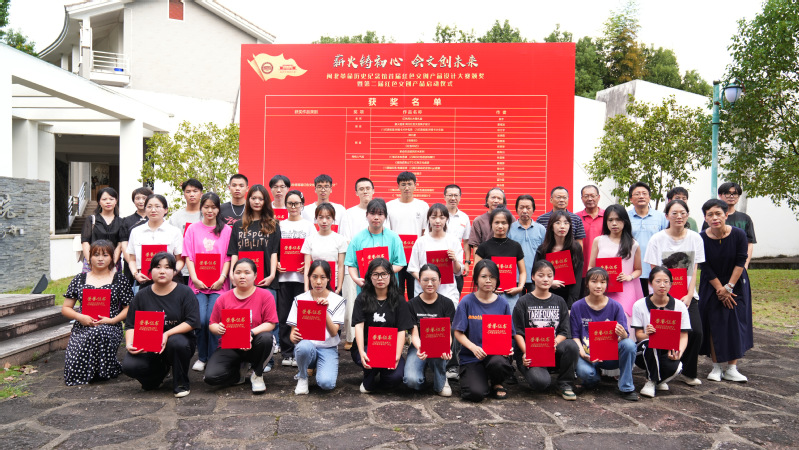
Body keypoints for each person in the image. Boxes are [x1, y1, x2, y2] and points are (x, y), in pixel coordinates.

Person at [643, 199, 705, 386]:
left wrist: (689, 294)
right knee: (663, 334)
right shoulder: (657, 239)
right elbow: (655, 271)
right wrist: (665, 297)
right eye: (674, 213)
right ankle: (663, 372)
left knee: (696, 332)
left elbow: (694, 269)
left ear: (687, 215)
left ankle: (688, 372)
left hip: (687, 295)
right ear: (667, 216)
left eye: (683, 213)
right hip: (662, 295)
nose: (679, 216)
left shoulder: (695, 238)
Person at [122, 252, 200, 397]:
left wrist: (167, 334)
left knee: (177, 343)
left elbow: (192, 321)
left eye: (167, 267)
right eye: (157, 267)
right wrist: (129, 344)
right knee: (129, 366)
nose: (162, 271)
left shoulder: (185, 292)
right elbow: (131, 325)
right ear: (150, 271)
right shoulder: (141, 296)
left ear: (174, 271)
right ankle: (157, 375)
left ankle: (181, 383)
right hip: (148, 345)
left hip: (178, 342)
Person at [61, 240, 132, 385]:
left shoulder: (119, 279)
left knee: (98, 332)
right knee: (72, 369)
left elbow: (129, 308)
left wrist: (112, 320)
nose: (100, 259)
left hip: (110, 325)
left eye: (105, 255)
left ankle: (100, 370)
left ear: (112, 258)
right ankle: (95, 370)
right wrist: (79, 317)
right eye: (96, 255)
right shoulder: (79, 279)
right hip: (82, 326)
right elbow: (66, 308)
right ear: (89, 257)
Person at [698, 199, 753, 382]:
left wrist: (728, 287)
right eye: (710, 215)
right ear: (705, 218)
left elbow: (741, 260)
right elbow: (704, 265)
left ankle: (732, 368)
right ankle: (716, 367)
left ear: (726, 215)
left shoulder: (738, 234)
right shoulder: (701, 238)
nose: (715, 218)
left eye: (718, 214)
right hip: (711, 283)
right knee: (714, 323)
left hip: (735, 283)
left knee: (734, 323)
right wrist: (720, 289)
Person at [204, 258, 277, 394]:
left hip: (254, 343)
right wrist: (218, 328)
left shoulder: (265, 295)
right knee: (211, 377)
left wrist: (250, 333)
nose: (242, 276)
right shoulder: (223, 298)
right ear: (233, 275)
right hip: (229, 346)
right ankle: (238, 373)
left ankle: (257, 374)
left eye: (247, 272)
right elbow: (212, 324)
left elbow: (271, 323)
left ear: (255, 275)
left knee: (267, 338)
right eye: (238, 272)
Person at [227, 184, 281, 370]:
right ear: (248, 200)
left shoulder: (273, 224)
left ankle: (267, 361)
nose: (257, 202)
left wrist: (272, 275)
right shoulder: (238, 225)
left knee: (267, 321)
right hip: (242, 281)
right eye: (253, 198)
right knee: (242, 319)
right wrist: (232, 274)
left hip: (265, 280)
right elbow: (234, 252)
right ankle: (242, 359)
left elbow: (274, 253)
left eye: (261, 198)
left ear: (265, 201)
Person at [512, 260, 579, 400]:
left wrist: (554, 342)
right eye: (541, 275)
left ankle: (565, 384)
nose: (546, 279)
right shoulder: (523, 301)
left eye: (549, 275)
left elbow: (564, 331)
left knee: (571, 345)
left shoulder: (559, 301)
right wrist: (526, 352)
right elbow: (518, 332)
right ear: (533, 277)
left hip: (552, 350)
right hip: (530, 353)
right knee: (540, 383)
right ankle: (540, 372)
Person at [571, 267, 638, 401]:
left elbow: (624, 336)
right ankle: (593, 377)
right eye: (594, 281)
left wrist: (623, 335)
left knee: (629, 344)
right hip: (587, 354)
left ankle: (626, 387)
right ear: (587, 284)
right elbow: (575, 337)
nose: (598, 286)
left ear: (607, 284)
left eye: (602, 282)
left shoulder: (616, 306)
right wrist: (583, 355)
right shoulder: (577, 306)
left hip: (609, 356)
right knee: (587, 374)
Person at [452, 259, 515, 402]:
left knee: (498, 363)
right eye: (484, 276)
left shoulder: (503, 303)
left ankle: (497, 382)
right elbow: (458, 332)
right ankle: (479, 378)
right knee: (476, 393)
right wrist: (473, 348)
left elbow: (508, 333)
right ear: (476, 279)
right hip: (472, 356)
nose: (488, 280)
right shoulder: (466, 302)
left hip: (495, 356)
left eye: (492, 277)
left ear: (497, 280)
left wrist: (508, 348)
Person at [183, 192, 232, 372]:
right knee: (201, 320)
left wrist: (222, 278)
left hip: (219, 285)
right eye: (206, 207)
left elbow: (228, 258)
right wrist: (195, 278)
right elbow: (188, 256)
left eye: (213, 207)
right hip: (197, 285)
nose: (210, 210)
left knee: (214, 320)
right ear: (201, 208)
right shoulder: (192, 229)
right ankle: (202, 356)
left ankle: (213, 357)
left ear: (219, 209)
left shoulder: (226, 230)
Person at [351, 258, 414, 393]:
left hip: (390, 348)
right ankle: (370, 376)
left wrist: (397, 355)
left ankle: (379, 374)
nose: (380, 278)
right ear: (370, 276)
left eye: (384, 274)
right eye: (375, 274)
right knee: (371, 360)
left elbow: (401, 330)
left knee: (395, 378)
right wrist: (361, 352)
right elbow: (359, 327)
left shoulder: (399, 300)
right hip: (367, 346)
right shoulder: (362, 298)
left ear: (390, 276)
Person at [630, 266, 691, 398]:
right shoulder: (639, 305)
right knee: (651, 344)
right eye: (658, 281)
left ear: (671, 284)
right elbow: (639, 336)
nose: (662, 285)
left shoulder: (680, 306)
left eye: (666, 281)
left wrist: (679, 352)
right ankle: (651, 381)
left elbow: (683, 335)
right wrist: (647, 334)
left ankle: (658, 379)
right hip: (644, 350)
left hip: (667, 349)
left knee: (676, 368)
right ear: (650, 283)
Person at [287, 260, 346, 394]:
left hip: (328, 348)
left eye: (322, 277)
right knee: (303, 347)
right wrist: (293, 337)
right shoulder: (299, 299)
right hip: (307, 347)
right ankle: (303, 376)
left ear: (329, 278)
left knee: (327, 384)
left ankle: (321, 366)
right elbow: (292, 335)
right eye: (314, 277)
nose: (318, 282)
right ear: (309, 277)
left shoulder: (337, 300)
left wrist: (324, 311)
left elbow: (334, 332)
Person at [277, 190, 317, 367]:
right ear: (285, 205)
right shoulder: (280, 225)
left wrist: (308, 265)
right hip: (284, 278)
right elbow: (275, 250)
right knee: (285, 315)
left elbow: (314, 249)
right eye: (290, 203)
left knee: (302, 316)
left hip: (303, 279)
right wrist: (277, 263)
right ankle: (287, 353)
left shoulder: (309, 226)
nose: (293, 207)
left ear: (302, 205)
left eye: (297, 203)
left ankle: (300, 351)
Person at [403, 264, 455, 397]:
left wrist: (446, 348)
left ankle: (441, 382)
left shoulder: (447, 304)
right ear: (419, 281)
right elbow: (414, 334)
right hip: (419, 347)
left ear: (440, 281)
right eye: (425, 280)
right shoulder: (411, 304)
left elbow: (448, 333)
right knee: (412, 381)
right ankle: (423, 378)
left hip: (439, 347)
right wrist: (421, 348)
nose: (430, 283)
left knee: (438, 356)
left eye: (434, 279)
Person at [588, 205, 643, 325]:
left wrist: (629, 277)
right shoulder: (599, 240)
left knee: (624, 320)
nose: (614, 223)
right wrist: (596, 279)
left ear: (625, 221)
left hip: (625, 289)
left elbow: (638, 269)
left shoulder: (633, 244)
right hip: (602, 289)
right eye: (610, 220)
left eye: (618, 219)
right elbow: (591, 267)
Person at [407, 203, 463, 305]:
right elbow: (413, 268)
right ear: (428, 219)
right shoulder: (420, 242)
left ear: (447, 219)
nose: (437, 221)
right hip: (423, 293)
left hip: (448, 293)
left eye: (442, 217)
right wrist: (427, 281)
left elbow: (457, 271)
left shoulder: (453, 241)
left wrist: (454, 260)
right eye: (433, 217)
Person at [345, 198, 407, 287]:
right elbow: (352, 264)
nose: (376, 217)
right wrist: (356, 279)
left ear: (385, 216)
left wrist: (383, 272)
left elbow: (400, 263)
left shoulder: (394, 238)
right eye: (372, 213)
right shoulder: (357, 239)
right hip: (366, 286)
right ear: (366, 215)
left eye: (380, 214)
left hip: (389, 287)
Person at [126, 194, 183, 291]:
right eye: (149, 206)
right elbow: (132, 259)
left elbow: (180, 260)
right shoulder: (136, 231)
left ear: (166, 210)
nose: (153, 210)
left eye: (157, 206)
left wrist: (172, 273)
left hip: (171, 280)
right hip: (145, 280)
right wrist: (136, 274)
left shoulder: (174, 231)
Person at [387, 171, 429, 300]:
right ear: (398, 186)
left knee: (414, 294)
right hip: (396, 258)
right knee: (396, 294)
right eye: (403, 184)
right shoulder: (390, 206)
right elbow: (388, 233)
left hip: (415, 258)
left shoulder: (423, 206)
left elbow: (425, 232)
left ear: (415, 185)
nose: (406, 187)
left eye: (410, 184)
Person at [474, 208, 526, 311]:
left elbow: (523, 272)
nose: (500, 226)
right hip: (488, 294)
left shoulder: (515, 246)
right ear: (491, 224)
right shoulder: (484, 247)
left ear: (509, 225)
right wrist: (488, 287)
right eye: (497, 222)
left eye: (504, 223)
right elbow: (475, 271)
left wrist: (520, 287)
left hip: (511, 295)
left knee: (510, 320)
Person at [534, 210, 583, 308]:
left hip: (568, 297)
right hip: (546, 295)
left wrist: (570, 306)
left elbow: (577, 278)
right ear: (551, 226)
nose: (562, 226)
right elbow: (535, 274)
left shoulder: (576, 248)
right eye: (558, 222)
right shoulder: (543, 249)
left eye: (566, 223)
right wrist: (550, 283)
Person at [702, 182, 757, 269]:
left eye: (735, 194)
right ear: (720, 195)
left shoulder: (745, 218)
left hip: (738, 263)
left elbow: (749, 243)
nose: (731, 196)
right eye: (727, 193)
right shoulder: (711, 220)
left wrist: (745, 264)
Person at [627, 182, 668, 296]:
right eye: (637, 194)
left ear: (649, 197)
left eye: (644, 193)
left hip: (656, 269)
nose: (641, 196)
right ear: (631, 199)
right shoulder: (625, 217)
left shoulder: (661, 217)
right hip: (632, 270)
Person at [301, 203, 347, 294]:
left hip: (334, 286)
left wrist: (339, 288)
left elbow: (341, 266)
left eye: (328, 217)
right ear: (316, 219)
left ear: (333, 219)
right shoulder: (310, 239)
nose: (324, 221)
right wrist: (306, 288)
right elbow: (307, 266)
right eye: (321, 217)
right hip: (315, 285)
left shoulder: (340, 239)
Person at [508, 194, 546, 294]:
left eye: (528, 208)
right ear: (516, 209)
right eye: (521, 207)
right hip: (514, 278)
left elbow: (545, 253)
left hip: (535, 277)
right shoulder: (509, 229)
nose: (525, 211)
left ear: (533, 210)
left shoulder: (541, 229)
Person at [81, 187, 124, 273]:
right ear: (99, 202)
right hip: (93, 262)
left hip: (113, 263)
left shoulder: (121, 222)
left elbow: (120, 245)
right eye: (104, 199)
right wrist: (90, 261)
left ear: (116, 201)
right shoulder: (91, 220)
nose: (108, 202)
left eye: (111, 199)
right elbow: (85, 242)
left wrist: (112, 262)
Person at [120, 186, 153, 281]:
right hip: (131, 264)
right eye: (137, 198)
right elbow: (124, 244)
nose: (141, 201)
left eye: (144, 198)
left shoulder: (155, 219)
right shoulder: (126, 221)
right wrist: (133, 264)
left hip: (152, 262)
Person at [443, 184, 471, 293]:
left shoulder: (464, 217)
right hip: (440, 261)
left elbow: (466, 242)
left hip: (457, 263)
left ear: (460, 197)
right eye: (450, 195)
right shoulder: (438, 215)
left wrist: (467, 263)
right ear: (444, 197)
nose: (453, 198)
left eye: (456, 195)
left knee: (456, 293)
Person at [467, 187, 506, 262]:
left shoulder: (510, 219)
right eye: (493, 197)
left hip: (505, 263)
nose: (496, 201)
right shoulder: (479, 221)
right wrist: (478, 265)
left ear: (503, 202)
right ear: (487, 200)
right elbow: (475, 246)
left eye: (499, 198)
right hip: (486, 263)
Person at [576, 185, 605, 277]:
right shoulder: (575, 218)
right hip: (581, 267)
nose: (589, 199)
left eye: (592, 196)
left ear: (598, 197)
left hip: (603, 267)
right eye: (586, 196)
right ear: (581, 198)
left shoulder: (608, 216)